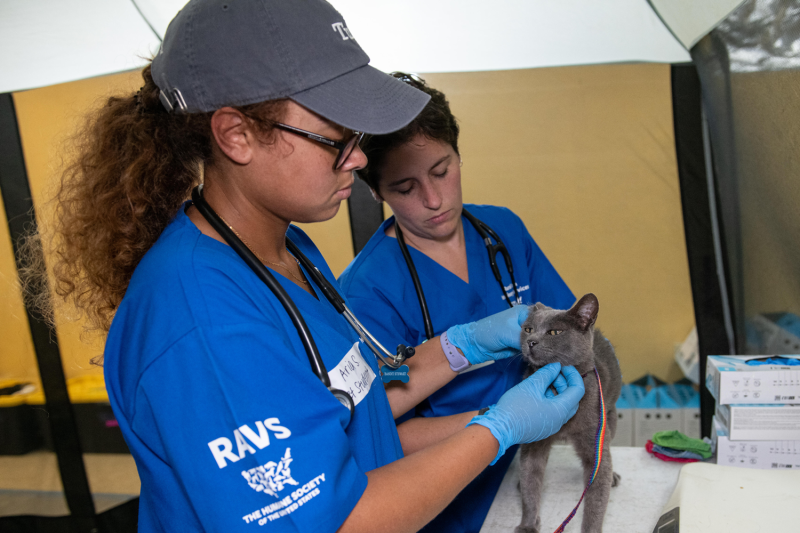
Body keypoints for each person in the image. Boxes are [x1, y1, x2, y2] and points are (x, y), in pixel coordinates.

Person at [37, 1, 584, 532]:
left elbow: (357, 397)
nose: (360, 159)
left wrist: (461, 346)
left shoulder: (289, 248)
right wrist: (496, 429)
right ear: (236, 135)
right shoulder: (204, 323)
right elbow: (340, 521)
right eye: (337, 139)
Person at [338, 73, 576, 532]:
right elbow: (378, 433)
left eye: (442, 171)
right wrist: (499, 422)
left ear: (459, 155)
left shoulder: (503, 234)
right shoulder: (367, 292)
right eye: (405, 189)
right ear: (375, 192)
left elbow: (568, 332)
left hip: (520, 475)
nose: (433, 199)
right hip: (441, 501)